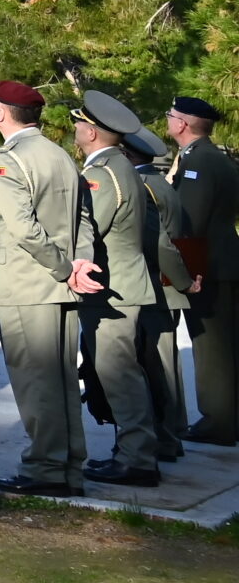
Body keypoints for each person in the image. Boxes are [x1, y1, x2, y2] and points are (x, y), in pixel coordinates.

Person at [0, 81, 105, 496]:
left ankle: (46, 468)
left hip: (28, 284)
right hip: (59, 284)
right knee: (60, 379)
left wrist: (65, 268)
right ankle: (68, 465)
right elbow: (83, 219)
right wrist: (80, 261)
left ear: (1, 113)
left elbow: (23, 230)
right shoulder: (60, 155)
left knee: (36, 381)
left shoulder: (8, 160)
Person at [73, 92, 162, 486]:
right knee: (122, 371)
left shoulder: (103, 172)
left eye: (78, 123)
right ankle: (134, 451)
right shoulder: (119, 165)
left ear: (91, 131)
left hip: (112, 288)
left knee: (118, 374)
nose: (75, 128)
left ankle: (137, 458)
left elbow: (92, 226)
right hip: (124, 283)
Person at [168, 96, 239, 445]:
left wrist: (187, 271)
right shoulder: (211, 157)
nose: (168, 121)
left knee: (212, 348)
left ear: (182, 124)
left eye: (171, 116)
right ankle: (227, 417)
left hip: (208, 265)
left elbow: (189, 222)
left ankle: (219, 421)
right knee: (223, 344)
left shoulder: (200, 162)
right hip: (222, 260)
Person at [127, 125, 196, 458]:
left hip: (155, 287)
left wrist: (182, 280)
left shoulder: (142, 188)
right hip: (165, 287)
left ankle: (165, 439)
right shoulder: (158, 183)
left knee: (156, 369)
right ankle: (172, 434)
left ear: (128, 154)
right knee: (164, 367)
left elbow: (158, 241)